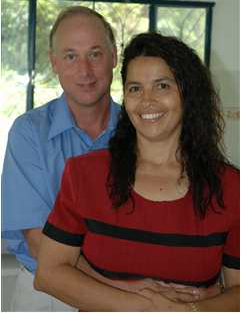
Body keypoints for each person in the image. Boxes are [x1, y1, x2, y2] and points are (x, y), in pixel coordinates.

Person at [34, 32, 240, 311]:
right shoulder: (85, 174)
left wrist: (192, 311)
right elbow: (49, 274)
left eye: (162, 86)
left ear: (188, 94)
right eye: (134, 88)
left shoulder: (230, 187)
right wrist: (145, 308)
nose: (146, 100)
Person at [1, 5, 121, 311]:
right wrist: (122, 291)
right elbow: (38, 241)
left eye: (95, 54)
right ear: (54, 63)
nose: (85, 71)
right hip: (48, 295)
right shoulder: (29, 133)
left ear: (114, 57)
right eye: (70, 56)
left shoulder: (141, 131)